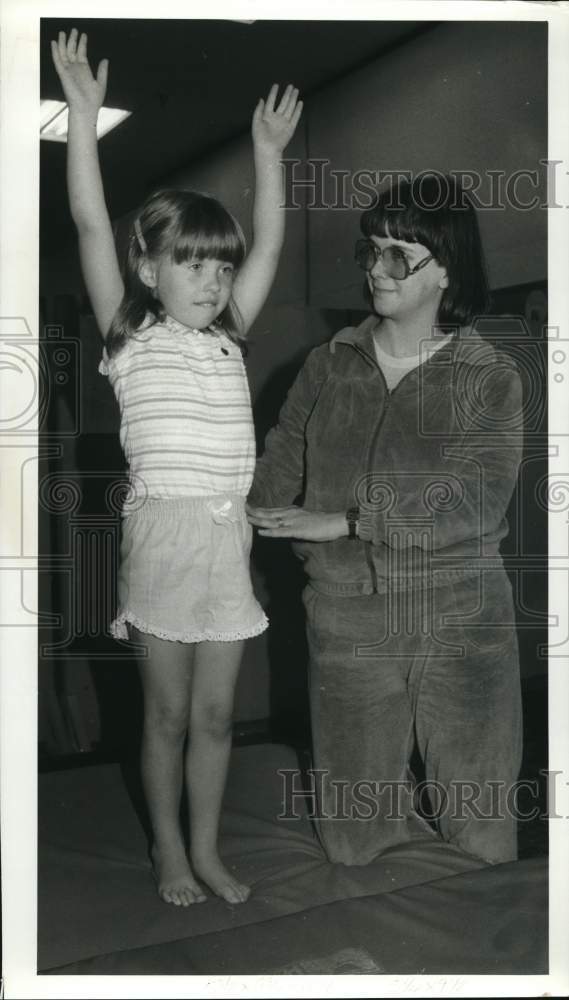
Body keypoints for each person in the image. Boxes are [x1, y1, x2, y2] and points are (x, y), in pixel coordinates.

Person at [52, 28, 302, 906]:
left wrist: (268, 154)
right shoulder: (130, 334)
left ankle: (207, 849)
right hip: (162, 536)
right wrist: (82, 118)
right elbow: (91, 220)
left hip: (225, 539)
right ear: (147, 268)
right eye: (190, 264)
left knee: (215, 715)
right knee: (164, 713)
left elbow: (268, 245)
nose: (211, 280)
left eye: (218, 266)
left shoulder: (230, 333)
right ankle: (166, 848)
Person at [247, 173, 524, 867]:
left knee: (480, 829)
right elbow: (273, 474)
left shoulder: (487, 375)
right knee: (352, 841)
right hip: (347, 617)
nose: (377, 268)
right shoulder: (326, 365)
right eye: (370, 250)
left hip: (460, 613)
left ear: (446, 270)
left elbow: (476, 501)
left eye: (399, 255)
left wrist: (346, 520)